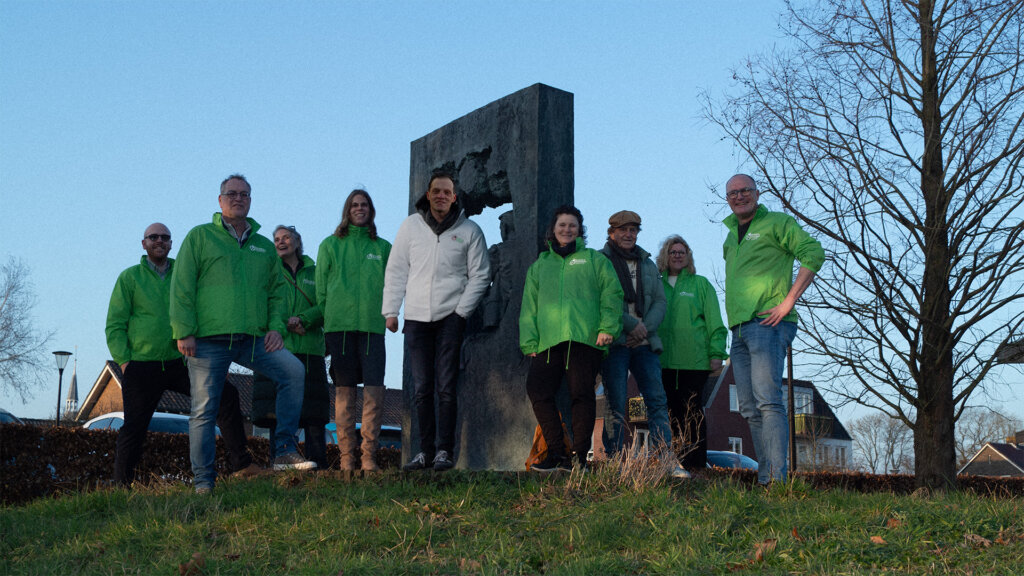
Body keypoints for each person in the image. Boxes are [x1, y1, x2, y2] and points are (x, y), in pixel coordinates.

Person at [170, 174, 315, 493]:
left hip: (253, 338)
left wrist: (276, 328)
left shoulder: (264, 246)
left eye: (245, 194)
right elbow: (181, 286)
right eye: (232, 194)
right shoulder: (199, 237)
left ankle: (284, 451)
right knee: (204, 409)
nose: (238, 198)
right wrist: (184, 331)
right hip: (208, 339)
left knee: (293, 371)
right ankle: (204, 482)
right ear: (220, 200)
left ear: (250, 201)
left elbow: (277, 292)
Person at [105, 223, 256, 486]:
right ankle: (121, 488)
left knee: (227, 395)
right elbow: (115, 324)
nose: (159, 241)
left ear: (172, 243)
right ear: (144, 244)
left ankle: (242, 465)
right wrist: (125, 361)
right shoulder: (129, 278)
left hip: (180, 361)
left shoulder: (184, 273)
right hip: (142, 365)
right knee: (134, 429)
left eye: (165, 237)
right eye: (153, 237)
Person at [382, 169, 490, 472]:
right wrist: (391, 310)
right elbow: (396, 270)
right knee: (421, 388)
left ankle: (444, 451)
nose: (441, 196)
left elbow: (480, 275)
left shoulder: (469, 230)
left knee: (446, 387)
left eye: (447, 192)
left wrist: (461, 313)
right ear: (427, 195)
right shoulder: (410, 227)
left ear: (454, 197)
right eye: (436, 191)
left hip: (450, 318)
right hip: (416, 319)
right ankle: (423, 452)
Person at [722, 173, 825, 484]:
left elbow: (813, 253)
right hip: (738, 330)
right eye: (732, 193)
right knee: (750, 408)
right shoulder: (730, 236)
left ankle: (777, 480)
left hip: (767, 324)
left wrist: (788, 302)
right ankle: (765, 476)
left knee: (768, 401)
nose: (739, 197)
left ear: (757, 193)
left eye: (744, 191)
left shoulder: (777, 223)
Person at [519, 205, 622, 471]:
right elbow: (529, 306)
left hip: (585, 339)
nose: (567, 230)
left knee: (582, 395)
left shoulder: (594, 260)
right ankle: (557, 454)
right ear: (553, 230)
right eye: (562, 225)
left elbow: (611, 295)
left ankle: (579, 458)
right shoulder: (540, 265)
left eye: (572, 225)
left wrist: (608, 327)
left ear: (580, 230)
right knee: (538, 390)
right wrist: (530, 342)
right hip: (549, 342)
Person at [599, 211, 689, 478]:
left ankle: (665, 459)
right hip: (616, 341)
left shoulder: (648, 264)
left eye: (634, 230)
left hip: (645, 342)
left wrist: (643, 329)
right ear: (612, 233)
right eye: (623, 230)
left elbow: (661, 302)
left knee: (657, 401)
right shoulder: (600, 261)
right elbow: (601, 301)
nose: (629, 234)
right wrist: (629, 325)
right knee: (615, 402)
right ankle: (614, 461)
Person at [316, 190, 391, 472]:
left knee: (374, 391)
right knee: (344, 394)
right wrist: (329, 317)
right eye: (354, 205)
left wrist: (388, 314)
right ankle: (347, 457)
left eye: (365, 205)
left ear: (371, 211)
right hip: (340, 329)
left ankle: (368, 455)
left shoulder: (383, 247)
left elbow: (393, 285)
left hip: (373, 328)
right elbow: (321, 289)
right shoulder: (330, 245)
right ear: (347, 210)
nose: (360, 209)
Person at [251, 225, 330, 470]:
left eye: (286, 237)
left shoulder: (316, 272)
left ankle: (320, 468)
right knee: (278, 414)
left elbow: (326, 303)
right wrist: (286, 324)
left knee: (314, 415)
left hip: (310, 350)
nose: (280, 242)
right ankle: (279, 465)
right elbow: (260, 305)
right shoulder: (266, 272)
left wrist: (304, 319)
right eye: (276, 239)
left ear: (297, 241)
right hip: (278, 349)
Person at [656, 235, 728, 471]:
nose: (677, 255)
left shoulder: (701, 284)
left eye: (682, 251)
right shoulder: (657, 285)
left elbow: (715, 322)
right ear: (665, 256)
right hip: (663, 362)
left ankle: (696, 466)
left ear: (688, 256)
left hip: (694, 363)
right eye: (672, 251)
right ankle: (673, 465)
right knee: (669, 415)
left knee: (692, 415)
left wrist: (717, 352)